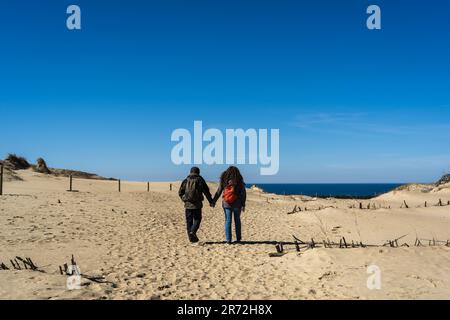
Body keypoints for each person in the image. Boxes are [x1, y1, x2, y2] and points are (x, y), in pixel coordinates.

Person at [178, 167, 214, 243]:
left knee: (189, 221)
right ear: (198, 172)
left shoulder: (185, 180)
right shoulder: (200, 180)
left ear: (190, 172)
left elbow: (180, 192)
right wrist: (211, 201)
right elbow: (206, 191)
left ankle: (191, 238)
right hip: (197, 204)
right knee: (197, 219)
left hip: (188, 205)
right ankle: (193, 232)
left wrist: (184, 199)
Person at [213, 166, 247, 244]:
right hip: (237, 204)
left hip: (226, 203)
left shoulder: (224, 180)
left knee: (228, 221)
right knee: (237, 220)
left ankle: (228, 240)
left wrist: (213, 201)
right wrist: (243, 204)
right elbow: (243, 193)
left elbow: (219, 191)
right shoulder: (239, 180)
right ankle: (238, 239)